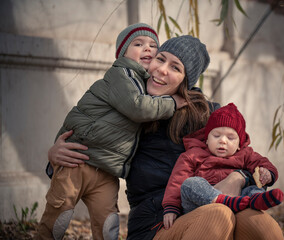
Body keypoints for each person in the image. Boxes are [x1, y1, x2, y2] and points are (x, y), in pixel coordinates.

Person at [47, 35, 284, 240]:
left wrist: (240, 177)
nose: (162, 70)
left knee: (260, 224)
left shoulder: (207, 115)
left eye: (175, 67)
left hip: (211, 207)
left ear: (186, 81)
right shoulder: (129, 108)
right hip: (156, 225)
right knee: (216, 215)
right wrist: (56, 152)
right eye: (160, 59)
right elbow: (93, 135)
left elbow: (245, 156)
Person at [37, 23, 186, 240]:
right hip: (79, 161)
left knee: (108, 226)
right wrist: (172, 103)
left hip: (107, 171)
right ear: (122, 52)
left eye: (153, 45)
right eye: (138, 44)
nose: (148, 48)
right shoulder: (121, 74)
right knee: (58, 217)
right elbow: (137, 107)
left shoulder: (147, 85)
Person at [162, 102, 284, 229]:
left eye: (230, 138)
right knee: (190, 184)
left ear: (239, 144)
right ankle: (227, 201)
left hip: (238, 201)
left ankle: (257, 200)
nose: (222, 140)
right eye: (216, 135)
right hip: (200, 206)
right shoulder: (192, 155)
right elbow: (177, 181)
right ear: (207, 139)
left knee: (252, 189)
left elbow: (262, 162)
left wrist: (267, 173)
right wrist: (171, 207)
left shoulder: (245, 154)